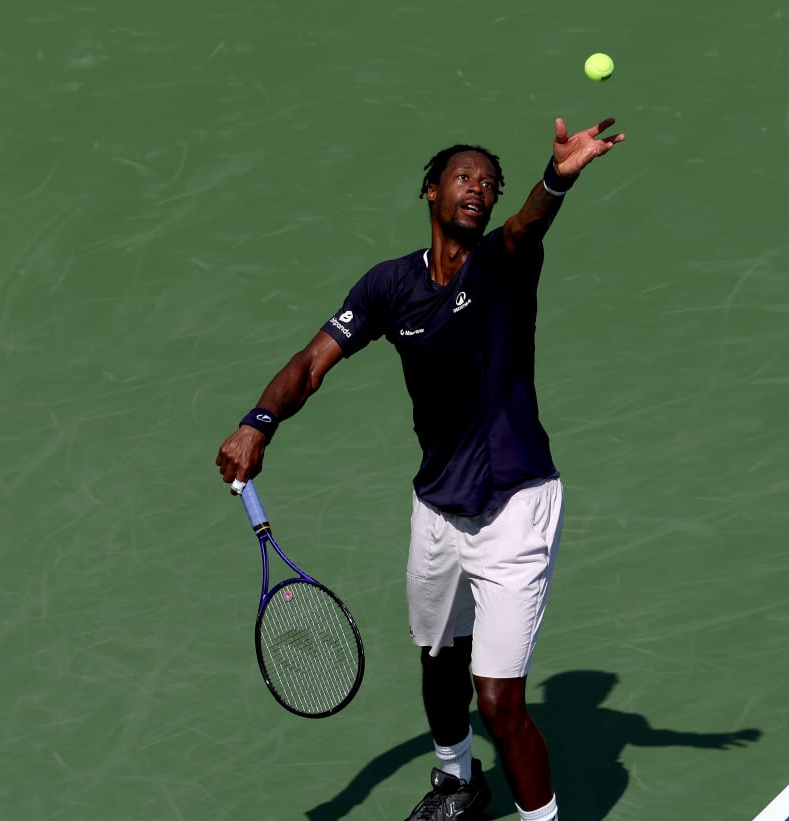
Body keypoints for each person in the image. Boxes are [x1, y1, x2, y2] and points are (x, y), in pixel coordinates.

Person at [216, 116, 625, 821]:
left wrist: (556, 178)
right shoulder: (389, 285)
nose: (479, 189)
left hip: (513, 506)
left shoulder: (502, 264)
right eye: (464, 177)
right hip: (437, 506)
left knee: (499, 702)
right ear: (431, 190)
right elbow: (313, 362)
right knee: (438, 658)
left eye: (490, 184)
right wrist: (259, 422)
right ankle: (457, 783)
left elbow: (527, 227)